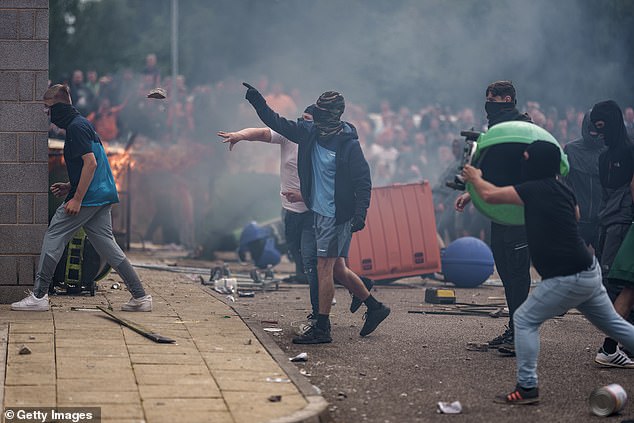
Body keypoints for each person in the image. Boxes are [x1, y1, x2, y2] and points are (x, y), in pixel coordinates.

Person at [462, 140, 634, 405]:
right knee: (615, 325)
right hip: (587, 271)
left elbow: (490, 195)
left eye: (527, 157)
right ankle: (527, 387)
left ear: (537, 162)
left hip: (567, 276)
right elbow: (574, 214)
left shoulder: (536, 189)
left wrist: (474, 179)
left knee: (525, 320)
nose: (524, 161)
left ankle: (527, 387)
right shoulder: (560, 188)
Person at [243, 83, 390, 344]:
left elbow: (363, 181)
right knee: (338, 270)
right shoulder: (309, 132)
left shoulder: (348, 145)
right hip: (317, 212)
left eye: (323, 112)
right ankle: (376, 307)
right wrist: (257, 101)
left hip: (336, 215)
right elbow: (276, 122)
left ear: (334, 115)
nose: (318, 116)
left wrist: (360, 213)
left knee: (323, 268)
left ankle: (322, 327)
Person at [11, 84, 152, 312]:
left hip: (90, 197)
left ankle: (39, 296)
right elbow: (92, 162)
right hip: (102, 194)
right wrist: (70, 185)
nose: (47, 114)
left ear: (58, 108)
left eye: (48, 109)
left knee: (54, 235)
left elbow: (91, 163)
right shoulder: (82, 124)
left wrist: (76, 198)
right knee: (108, 247)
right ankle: (141, 297)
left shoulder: (76, 128)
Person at [455, 81, 532, 355]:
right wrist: (470, 194)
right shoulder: (496, 131)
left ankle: (522, 335)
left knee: (518, 273)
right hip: (498, 211)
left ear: (508, 99)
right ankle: (514, 327)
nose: (488, 103)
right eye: (486, 98)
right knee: (506, 273)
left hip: (520, 213)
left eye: (493, 99)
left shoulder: (523, 130)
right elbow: (491, 171)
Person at [590, 100, 634, 367]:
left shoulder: (630, 151)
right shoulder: (604, 156)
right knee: (617, 283)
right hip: (610, 222)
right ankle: (613, 345)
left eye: (602, 125)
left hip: (624, 222)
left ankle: (619, 344)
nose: (598, 132)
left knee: (623, 283)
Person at [561, 111, 605, 249]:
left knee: (606, 265)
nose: (593, 130)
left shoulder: (608, 151)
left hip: (602, 220)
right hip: (577, 219)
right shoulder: (571, 149)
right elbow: (563, 183)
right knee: (571, 265)